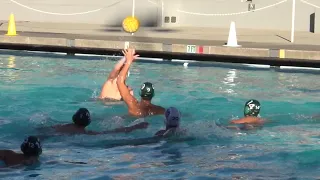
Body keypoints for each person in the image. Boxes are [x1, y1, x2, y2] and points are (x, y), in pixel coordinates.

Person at [117, 48, 165, 117]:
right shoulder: (159, 110)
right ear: (153, 94)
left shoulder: (133, 105)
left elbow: (119, 82)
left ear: (140, 93)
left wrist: (129, 61)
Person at [39, 108, 149, 136]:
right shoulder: (84, 133)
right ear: (88, 122)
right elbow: (111, 132)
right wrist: (134, 127)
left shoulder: (60, 126)